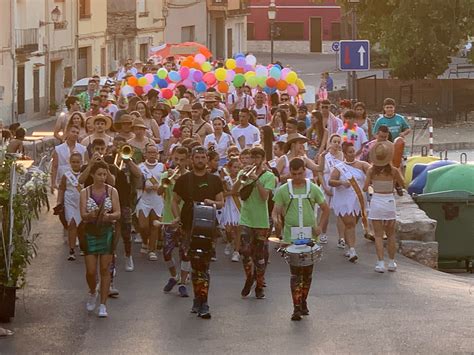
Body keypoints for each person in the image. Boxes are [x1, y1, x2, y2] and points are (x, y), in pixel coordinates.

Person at [272, 157, 330, 320]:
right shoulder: (283, 189)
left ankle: (303, 300)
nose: (297, 176)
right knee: (295, 273)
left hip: (310, 236)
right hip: (291, 237)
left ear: (305, 171)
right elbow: (276, 211)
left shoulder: (313, 188)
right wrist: (277, 223)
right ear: (290, 172)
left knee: (308, 273)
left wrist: (319, 227)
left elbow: (326, 209)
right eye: (294, 173)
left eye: (300, 173)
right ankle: (296, 307)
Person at [172, 146, 224, 319]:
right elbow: (175, 201)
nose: (200, 160)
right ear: (191, 159)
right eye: (197, 157)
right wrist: (177, 217)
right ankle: (198, 299)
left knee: (205, 266)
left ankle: (204, 302)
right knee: (195, 265)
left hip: (209, 227)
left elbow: (222, 202)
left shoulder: (215, 180)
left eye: (203, 157)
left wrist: (212, 203)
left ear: (207, 160)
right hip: (189, 226)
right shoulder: (184, 180)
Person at [232, 147, 276, 299]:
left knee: (259, 256)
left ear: (263, 159)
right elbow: (234, 190)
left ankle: (259, 284)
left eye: (257, 158)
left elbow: (265, 197)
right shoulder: (244, 172)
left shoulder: (269, 176)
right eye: (252, 157)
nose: (254, 160)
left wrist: (256, 180)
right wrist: (242, 177)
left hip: (261, 221)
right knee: (244, 252)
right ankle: (249, 277)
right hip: (246, 218)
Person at [80, 161, 120, 318]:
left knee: (104, 269)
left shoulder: (112, 191)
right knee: (90, 271)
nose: (102, 178)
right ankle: (92, 291)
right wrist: (90, 215)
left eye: (105, 174)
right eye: (99, 174)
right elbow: (83, 214)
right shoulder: (85, 192)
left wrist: (108, 216)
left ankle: (103, 304)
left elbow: (118, 213)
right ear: (92, 175)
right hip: (90, 231)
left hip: (106, 231)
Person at [364, 141, 405, 273]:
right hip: (389, 202)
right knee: (391, 234)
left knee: (378, 235)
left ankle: (380, 263)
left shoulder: (371, 170)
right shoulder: (393, 171)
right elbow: (403, 184)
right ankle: (392, 262)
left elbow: (365, 187)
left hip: (376, 201)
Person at [329, 142, 370, 263]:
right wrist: (341, 183)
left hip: (358, 199)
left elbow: (372, 171)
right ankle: (352, 250)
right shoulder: (339, 167)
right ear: (345, 153)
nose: (352, 154)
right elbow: (331, 181)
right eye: (350, 152)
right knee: (350, 223)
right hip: (344, 200)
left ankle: (349, 246)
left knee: (352, 224)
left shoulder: (362, 164)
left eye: (353, 151)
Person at [161, 147, 190, 294]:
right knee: (166, 253)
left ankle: (183, 283)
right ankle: (174, 276)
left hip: (185, 219)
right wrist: (168, 179)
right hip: (168, 218)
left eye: (182, 160)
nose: (178, 163)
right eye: (176, 159)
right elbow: (160, 192)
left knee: (185, 253)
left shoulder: (190, 177)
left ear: (187, 160)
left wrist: (181, 181)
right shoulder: (167, 174)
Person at [135, 144, 165, 260]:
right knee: (143, 226)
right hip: (144, 198)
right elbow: (136, 183)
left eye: (154, 152)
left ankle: (152, 250)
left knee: (155, 225)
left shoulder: (162, 166)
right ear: (145, 154)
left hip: (157, 199)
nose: (152, 155)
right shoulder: (140, 167)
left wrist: (160, 187)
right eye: (150, 152)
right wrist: (144, 187)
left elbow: (166, 181)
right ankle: (145, 241)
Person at [317, 134, 345, 245]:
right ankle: (323, 233)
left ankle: (341, 238)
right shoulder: (324, 156)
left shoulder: (342, 155)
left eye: (339, 142)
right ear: (330, 142)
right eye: (335, 141)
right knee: (325, 211)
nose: (337, 144)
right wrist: (324, 187)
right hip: (326, 184)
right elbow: (319, 173)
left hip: (337, 185)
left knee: (340, 213)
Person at [57, 152, 83, 261]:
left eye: (77, 162)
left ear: (81, 162)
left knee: (81, 226)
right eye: (73, 162)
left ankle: (83, 247)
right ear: (70, 162)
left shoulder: (84, 175)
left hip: (81, 202)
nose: (75, 164)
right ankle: (72, 250)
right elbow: (62, 189)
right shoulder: (66, 175)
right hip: (70, 202)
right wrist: (59, 202)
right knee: (71, 224)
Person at [51, 125, 87, 192]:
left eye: (77, 133)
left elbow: (85, 165)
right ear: (67, 132)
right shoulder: (58, 149)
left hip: (78, 181)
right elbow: (54, 167)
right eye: (73, 132)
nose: (75, 134)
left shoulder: (83, 149)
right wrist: (53, 183)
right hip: (62, 180)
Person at [221, 157, 242, 262]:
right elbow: (223, 194)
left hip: (239, 205)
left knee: (238, 229)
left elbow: (242, 193)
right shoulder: (225, 180)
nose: (237, 169)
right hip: (229, 205)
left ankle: (236, 252)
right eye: (234, 167)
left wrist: (234, 192)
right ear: (229, 168)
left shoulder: (242, 179)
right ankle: (230, 242)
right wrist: (231, 192)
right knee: (228, 229)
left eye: (238, 167)